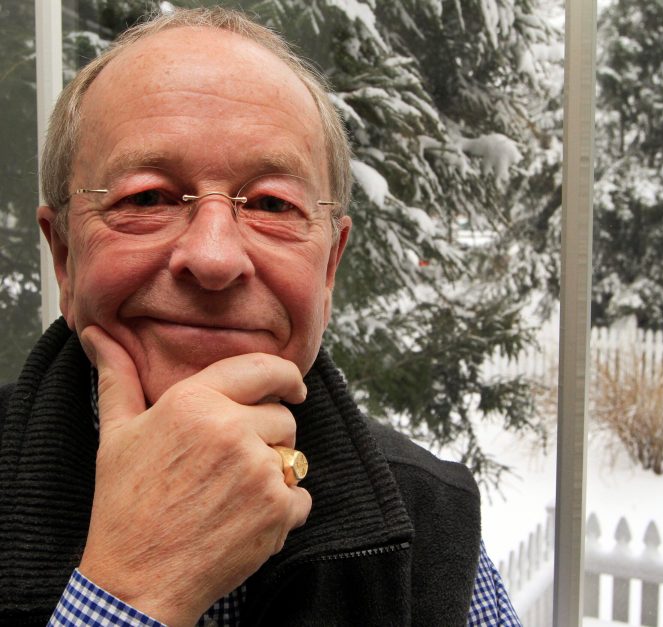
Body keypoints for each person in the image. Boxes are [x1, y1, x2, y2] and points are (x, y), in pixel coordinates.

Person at [0, 7, 521, 626]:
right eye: (147, 197)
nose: (215, 258)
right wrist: (133, 590)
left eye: (273, 203)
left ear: (329, 265)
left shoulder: (431, 523)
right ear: (64, 254)